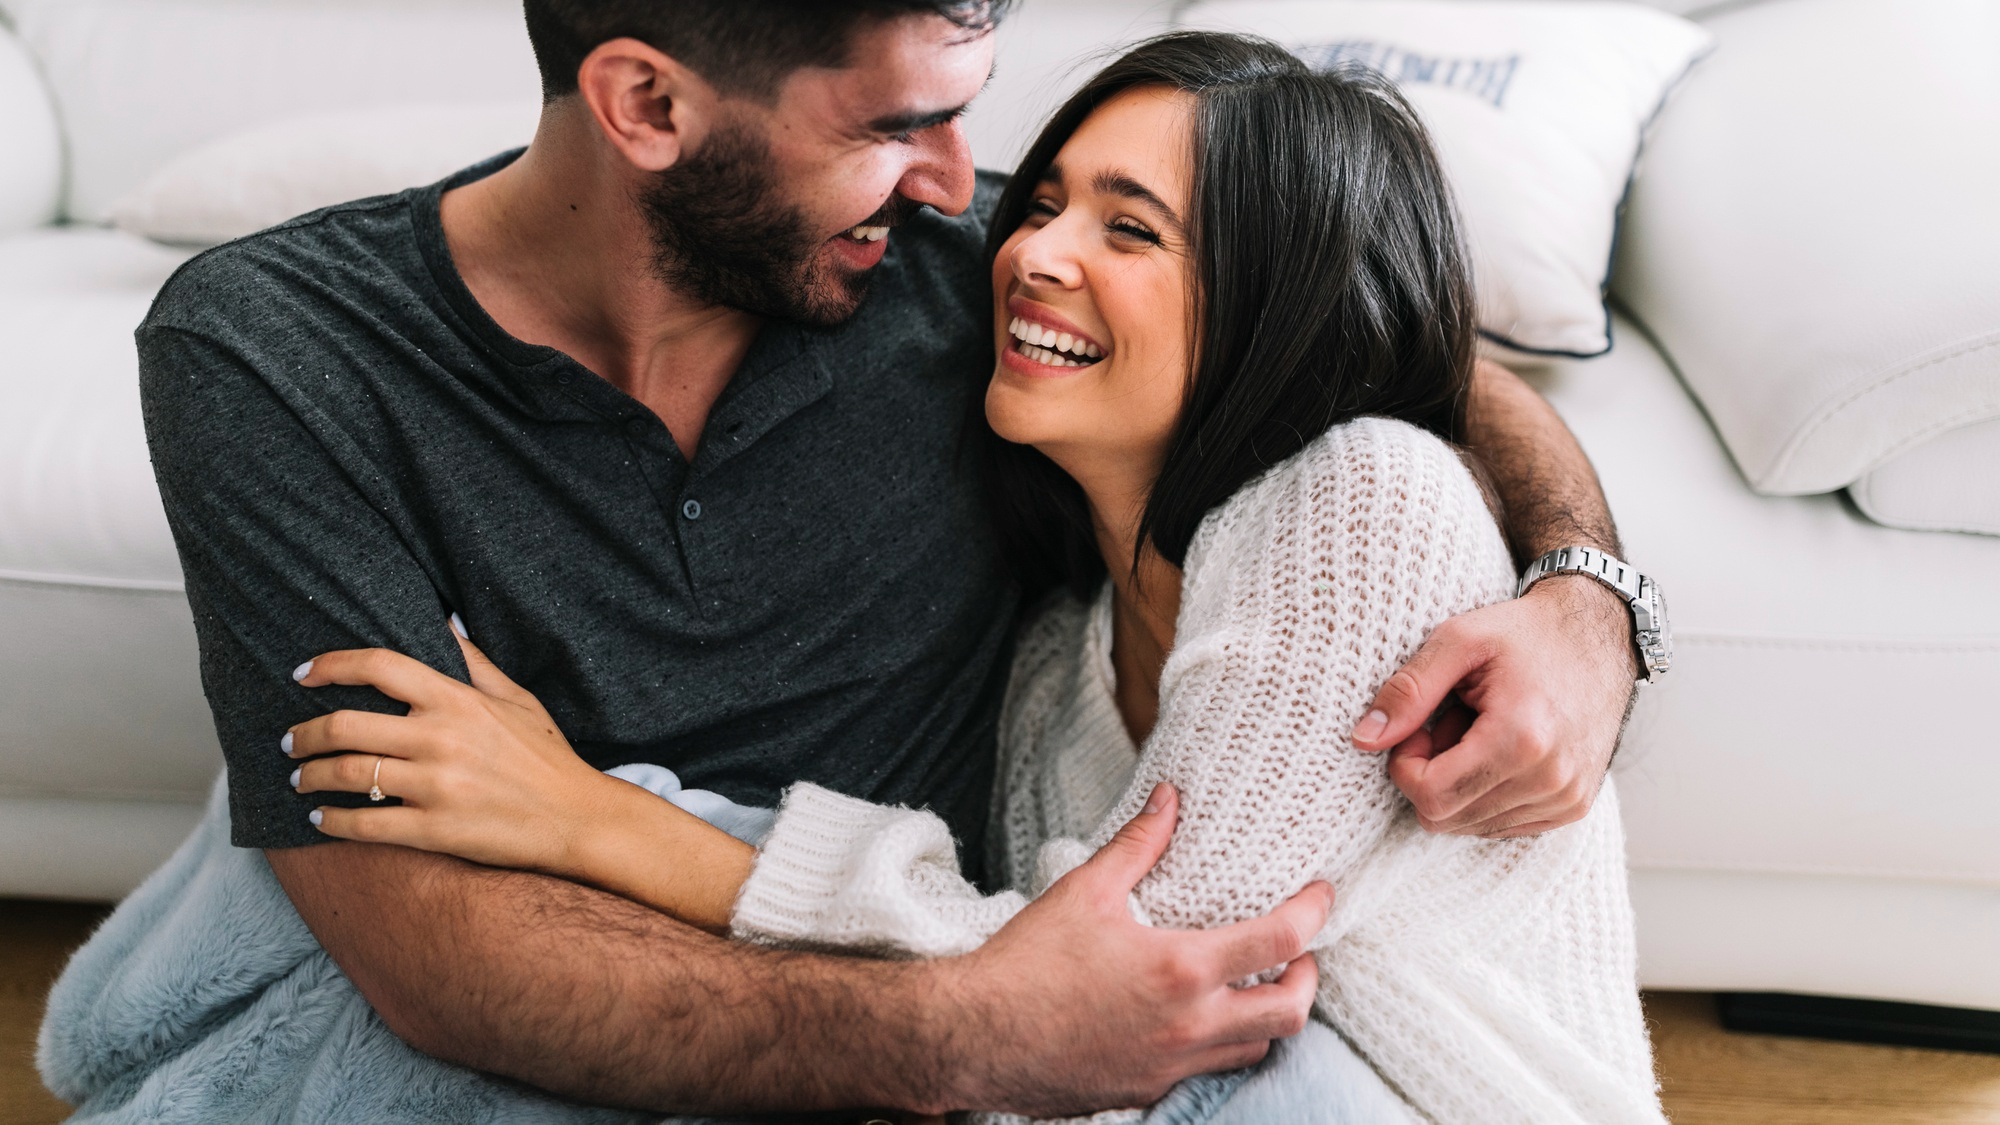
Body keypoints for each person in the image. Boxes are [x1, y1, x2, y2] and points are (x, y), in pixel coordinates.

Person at [43, 2, 1644, 1121]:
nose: (979, 196)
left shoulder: (942, 276)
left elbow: (1373, 330)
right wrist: (978, 1027)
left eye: (970, 118)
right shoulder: (276, 347)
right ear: (648, 104)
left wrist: (1586, 592)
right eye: (900, 125)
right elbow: (432, 961)